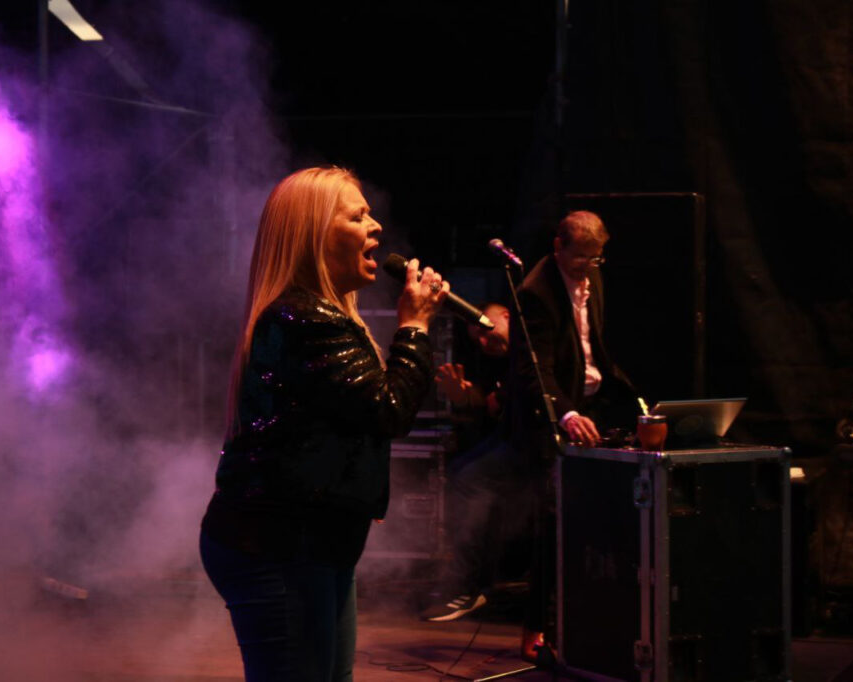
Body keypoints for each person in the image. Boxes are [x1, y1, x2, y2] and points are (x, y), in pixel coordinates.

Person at [199, 166, 447, 682]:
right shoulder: (303, 320)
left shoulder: (324, 318)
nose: (376, 226)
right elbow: (388, 410)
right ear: (313, 236)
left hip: (313, 542)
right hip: (279, 545)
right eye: (357, 217)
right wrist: (415, 328)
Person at [508, 210, 639, 660]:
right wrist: (565, 414)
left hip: (590, 405)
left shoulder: (593, 278)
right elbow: (535, 370)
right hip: (550, 417)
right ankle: (535, 628)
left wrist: (632, 399)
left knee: (601, 516)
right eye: (580, 257)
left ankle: (587, 622)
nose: (588, 266)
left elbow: (593, 348)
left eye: (595, 258)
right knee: (552, 524)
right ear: (558, 247)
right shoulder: (535, 292)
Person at [420, 303, 534, 622]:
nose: (483, 343)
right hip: (516, 441)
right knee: (462, 473)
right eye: (477, 340)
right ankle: (474, 585)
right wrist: (462, 396)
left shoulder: (532, 349)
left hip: (535, 442)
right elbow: (488, 405)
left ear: (507, 316)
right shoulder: (495, 363)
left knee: (469, 480)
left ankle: (464, 587)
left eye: (485, 332)